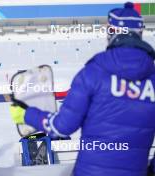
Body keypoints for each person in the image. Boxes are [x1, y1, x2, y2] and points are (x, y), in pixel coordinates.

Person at [10, 2, 155, 176]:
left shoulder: (93, 72)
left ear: (112, 32)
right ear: (139, 34)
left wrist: (26, 114)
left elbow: (61, 127)